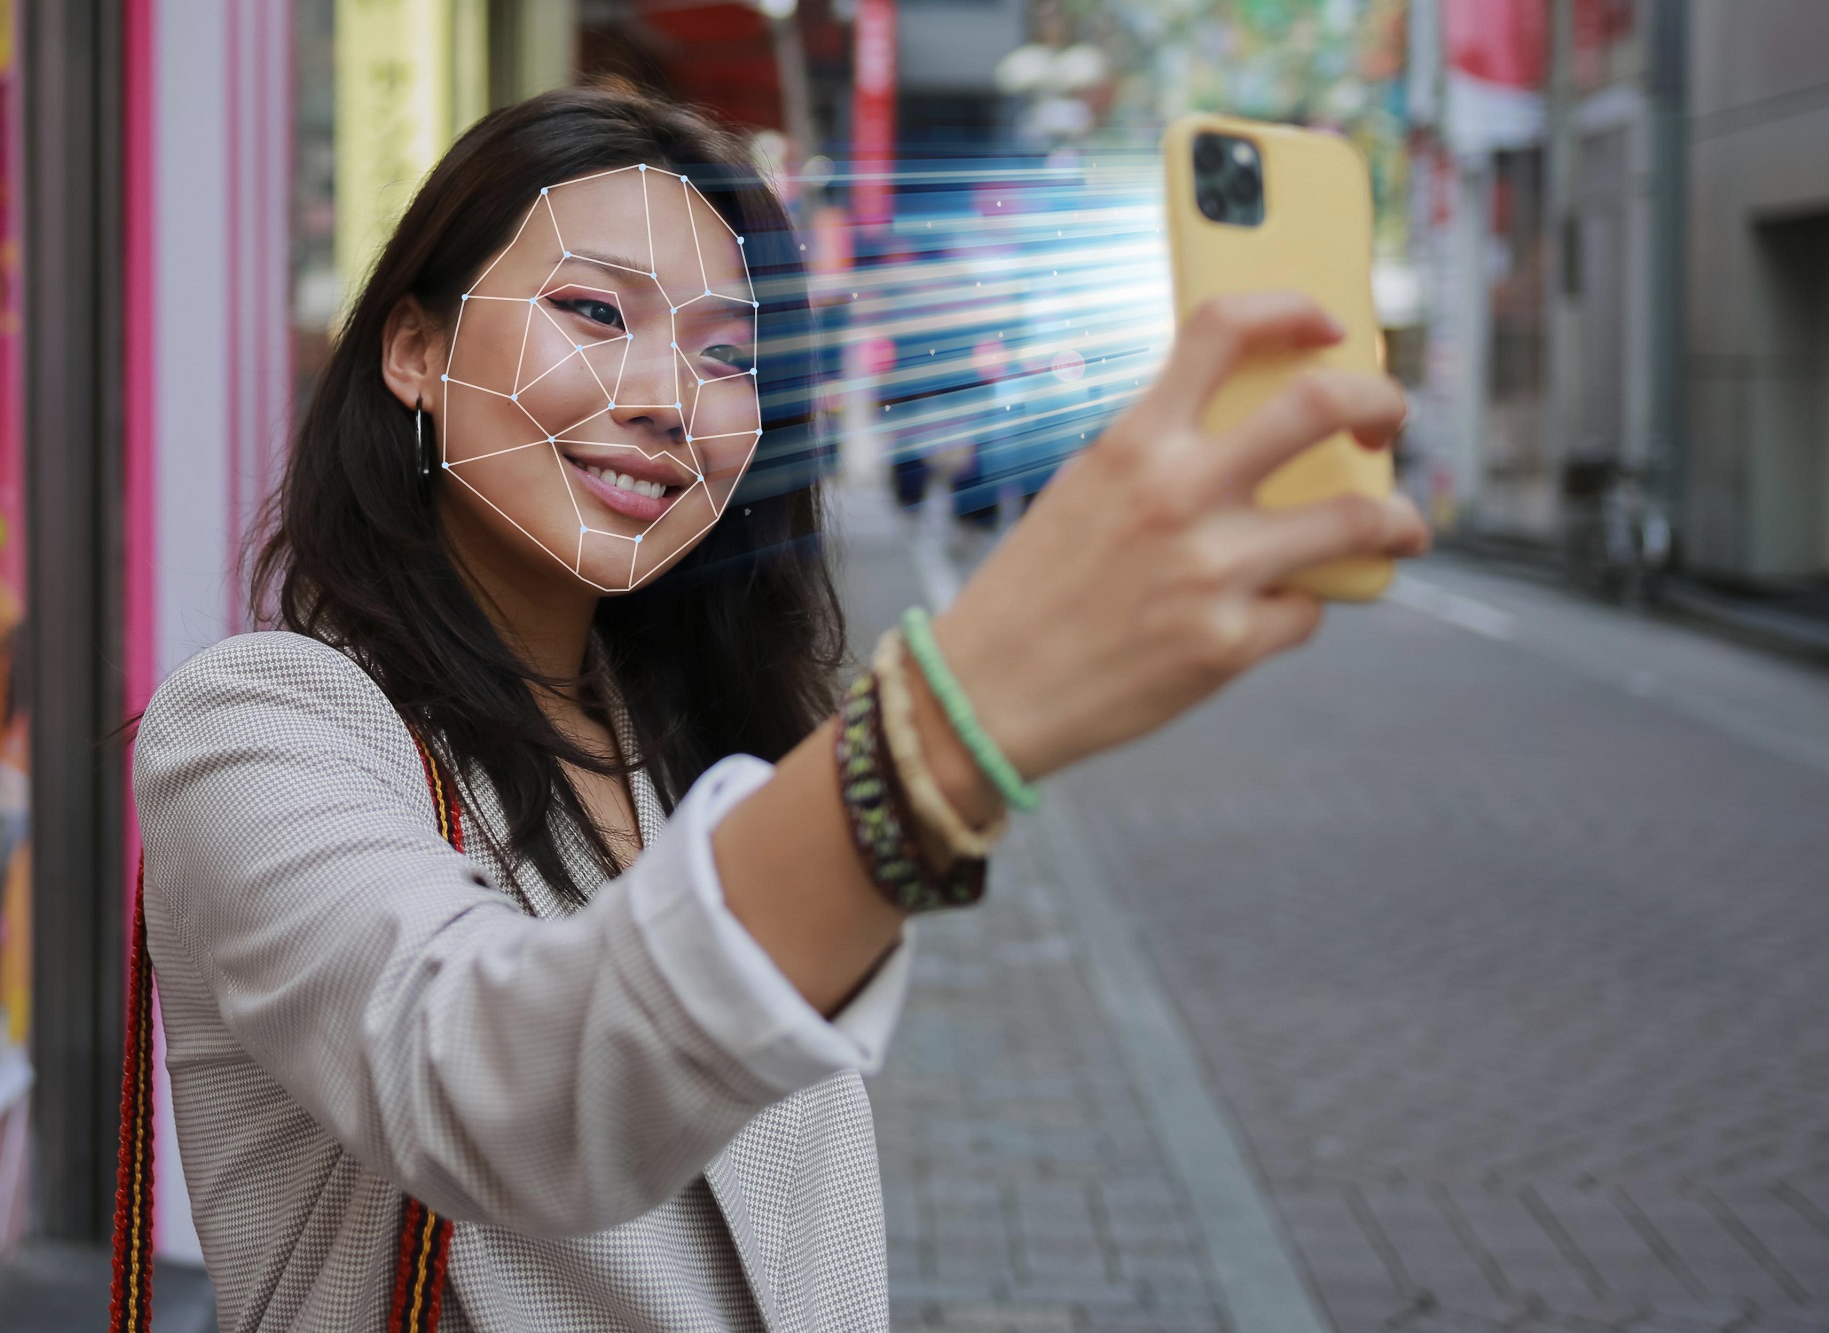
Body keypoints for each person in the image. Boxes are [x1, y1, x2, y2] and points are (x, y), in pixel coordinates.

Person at [128, 85, 1428, 1333]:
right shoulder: (262, 725)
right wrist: (951, 727)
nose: (665, 399)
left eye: (727, 353)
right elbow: (484, 1081)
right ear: (415, 349)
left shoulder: (700, 745)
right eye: (594, 310)